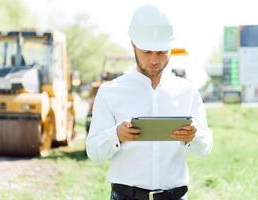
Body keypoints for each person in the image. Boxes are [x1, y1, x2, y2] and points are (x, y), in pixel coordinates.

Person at [86, 4, 213, 200]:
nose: (154, 60)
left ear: (171, 47)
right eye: (147, 52)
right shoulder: (110, 92)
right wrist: (116, 135)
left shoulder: (187, 91)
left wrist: (192, 136)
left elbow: (205, 149)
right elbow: (94, 153)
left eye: (161, 52)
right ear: (133, 45)